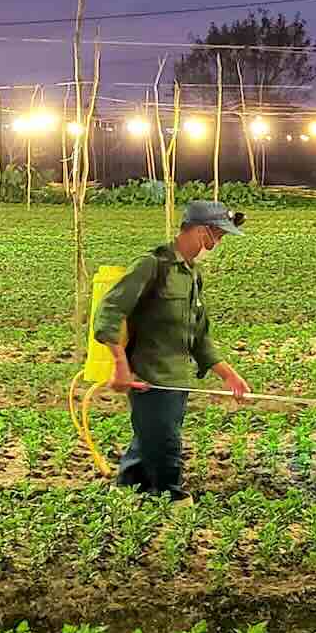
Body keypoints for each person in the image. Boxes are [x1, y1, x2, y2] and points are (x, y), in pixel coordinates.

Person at [94, 200, 250, 500]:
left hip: (178, 380)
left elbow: (199, 336)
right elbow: (110, 311)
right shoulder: (153, 264)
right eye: (216, 235)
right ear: (200, 230)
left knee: (148, 442)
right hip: (150, 377)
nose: (217, 244)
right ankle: (172, 501)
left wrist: (229, 375)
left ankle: (125, 495)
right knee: (165, 445)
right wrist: (120, 365)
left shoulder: (192, 274)